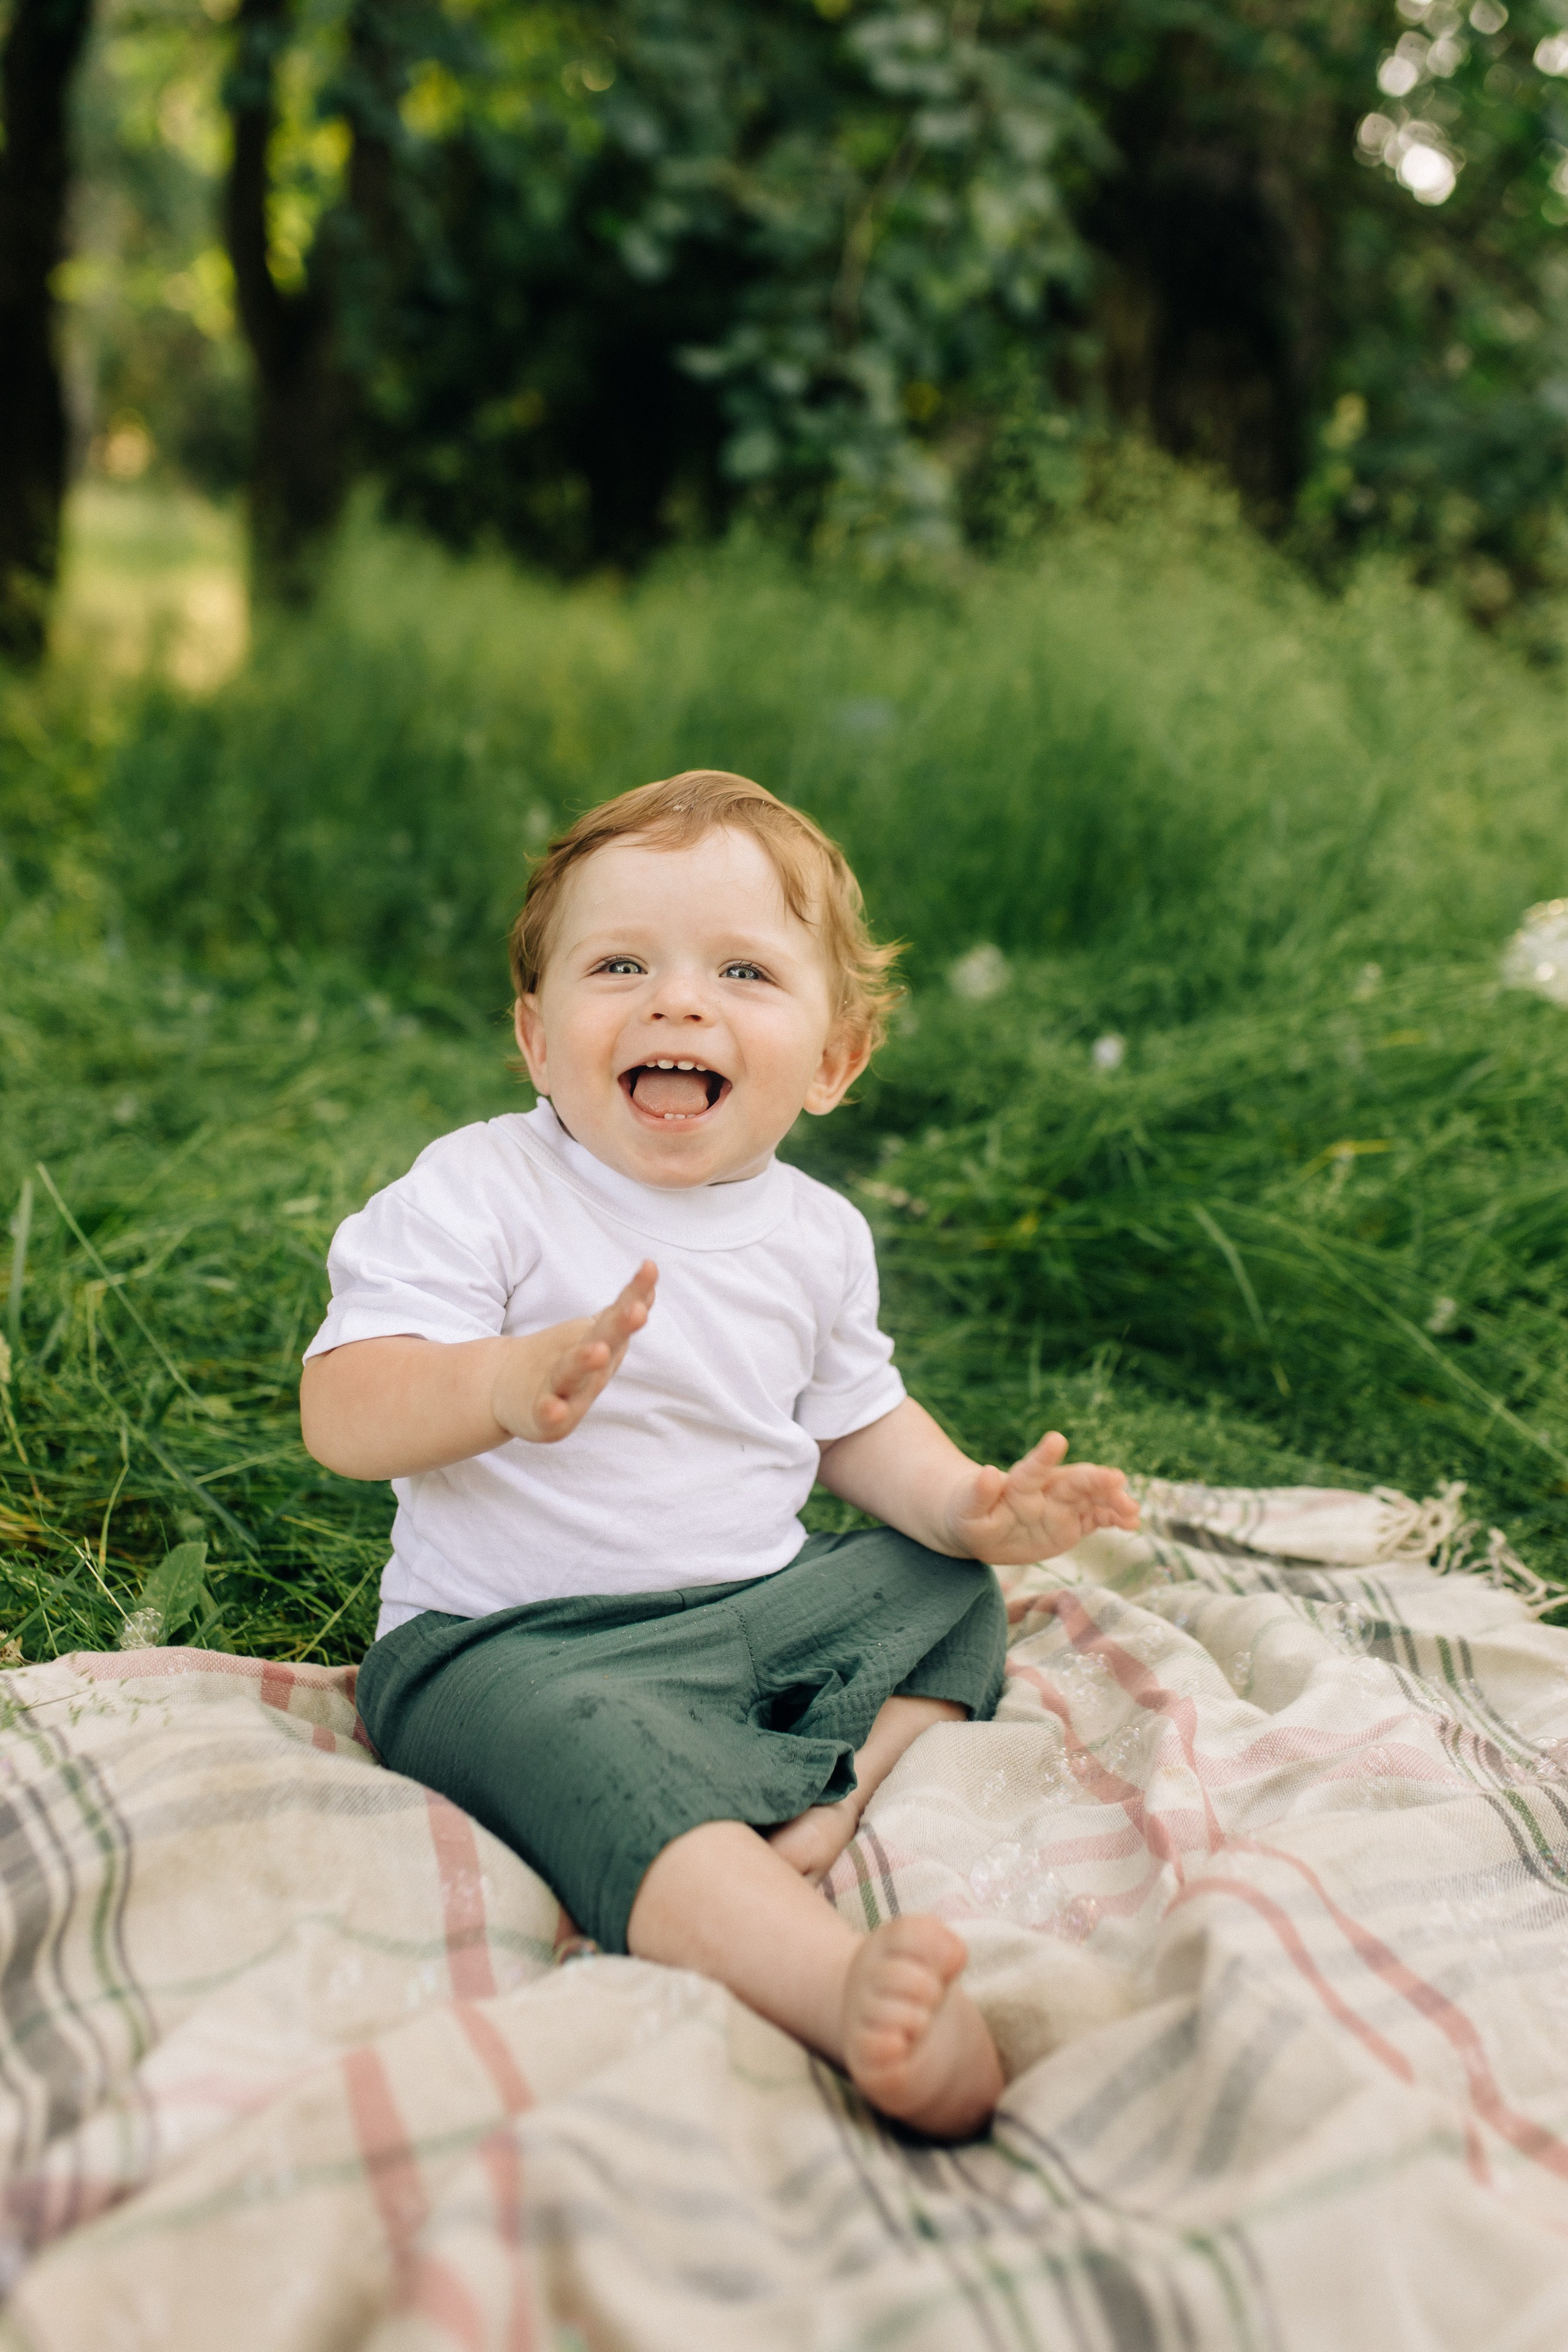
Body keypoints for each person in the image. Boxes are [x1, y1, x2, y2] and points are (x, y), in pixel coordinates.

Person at [300, 769, 1140, 2139]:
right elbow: (342, 1411)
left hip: (748, 1614)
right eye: (619, 964)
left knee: (935, 1589)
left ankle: (819, 1814)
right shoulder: (480, 1190)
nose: (676, 1003)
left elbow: (857, 1423)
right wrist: (499, 1386)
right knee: (578, 1752)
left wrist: (970, 1507)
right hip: (513, 1647)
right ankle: (822, 1977)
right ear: (533, 1036)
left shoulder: (815, 1237)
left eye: (742, 971)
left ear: (832, 1061)